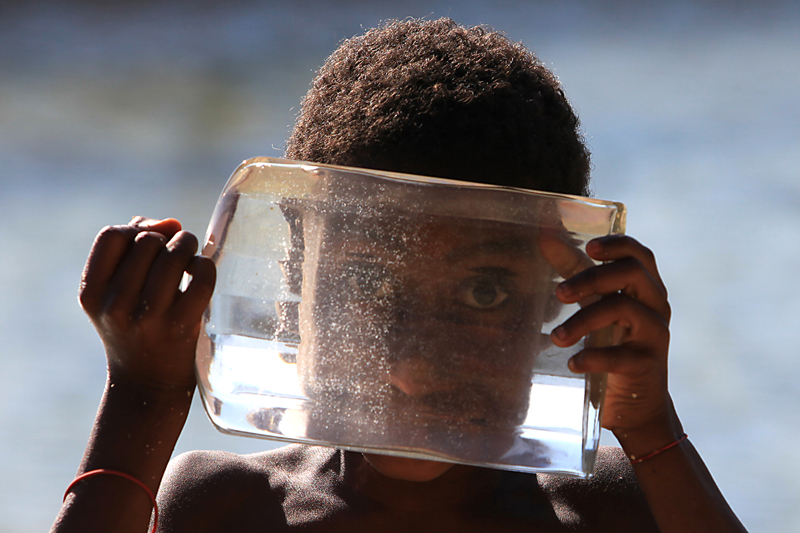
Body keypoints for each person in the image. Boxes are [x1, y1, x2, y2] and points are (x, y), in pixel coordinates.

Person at [51, 18, 747, 532]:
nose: (411, 367)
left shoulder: (606, 511)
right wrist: (141, 398)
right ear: (295, 280)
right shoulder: (226, 507)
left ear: (554, 296)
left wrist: (650, 429)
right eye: (364, 288)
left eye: (484, 292)